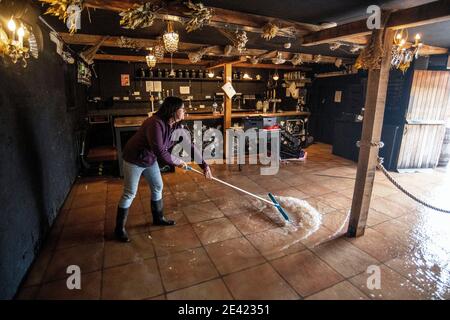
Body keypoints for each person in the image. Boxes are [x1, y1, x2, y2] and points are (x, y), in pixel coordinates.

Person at [115, 96, 212, 242]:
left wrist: (204, 165)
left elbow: (189, 146)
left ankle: (158, 218)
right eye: (182, 109)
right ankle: (119, 229)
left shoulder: (176, 126)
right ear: (173, 110)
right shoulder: (155, 123)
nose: (185, 111)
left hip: (150, 159)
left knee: (157, 186)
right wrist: (178, 162)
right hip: (134, 159)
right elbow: (161, 152)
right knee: (130, 193)